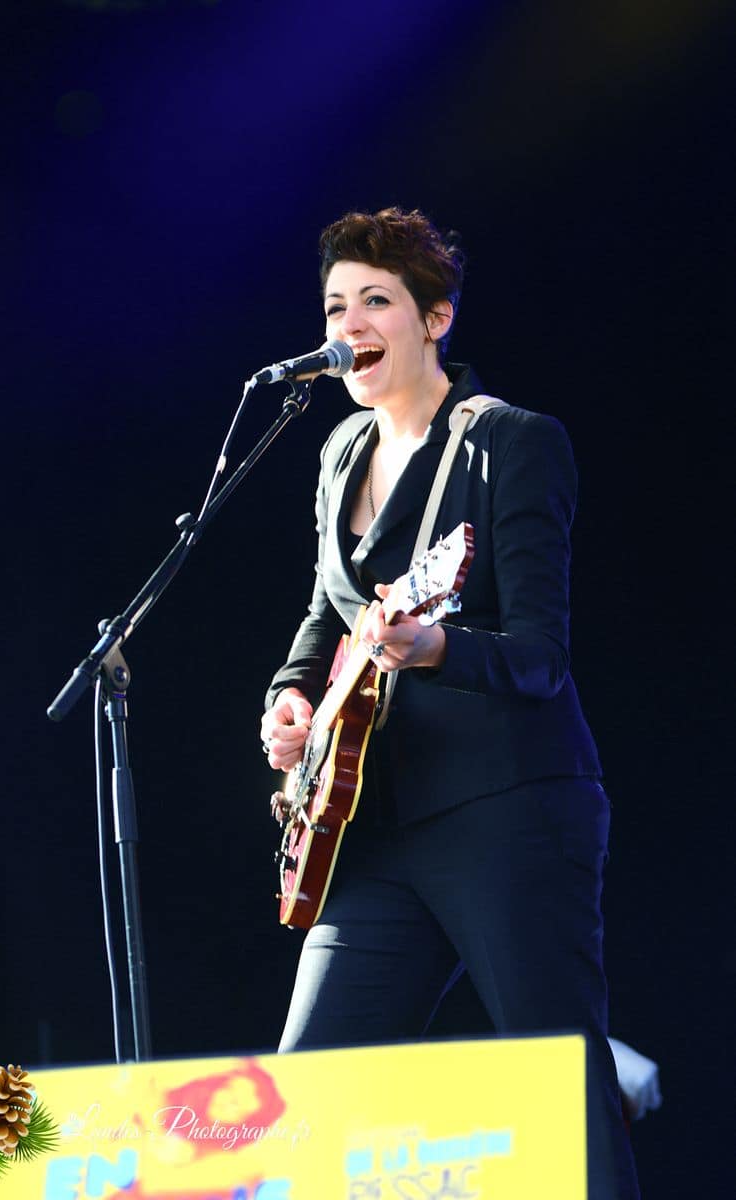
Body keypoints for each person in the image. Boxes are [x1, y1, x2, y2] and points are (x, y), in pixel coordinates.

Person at [259, 207, 639, 1199]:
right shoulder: (338, 449)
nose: (349, 324)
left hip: (505, 810)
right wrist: (291, 695)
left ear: (435, 318)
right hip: (372, 823)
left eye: (375, 302)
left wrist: (434, 646)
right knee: (308, 1098)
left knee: (561, 1091)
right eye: (335, 306)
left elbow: (540, 659)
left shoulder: (510, 442)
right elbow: (328, 610)